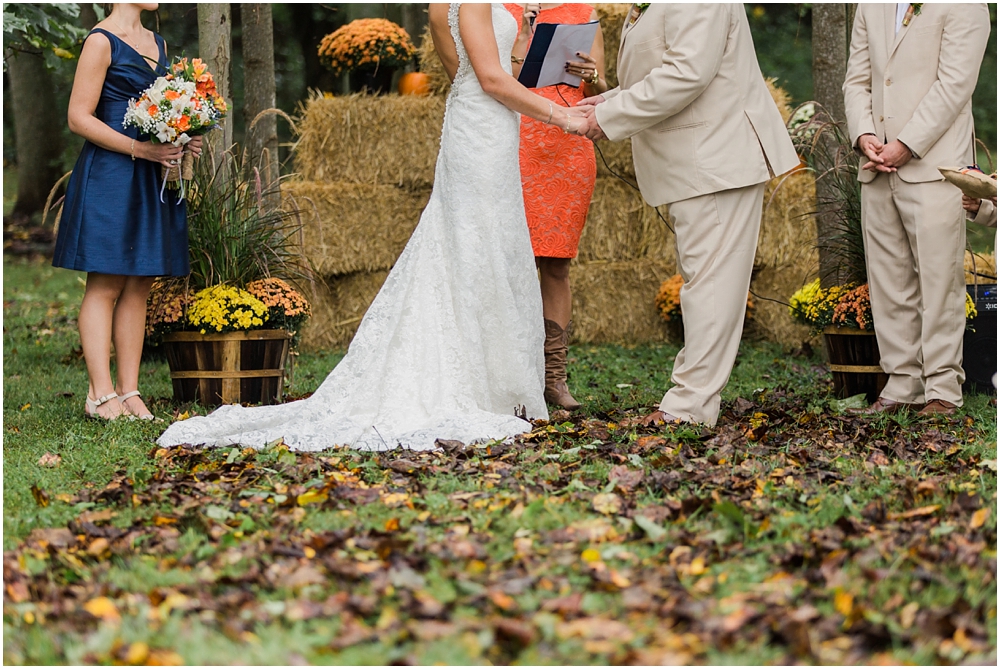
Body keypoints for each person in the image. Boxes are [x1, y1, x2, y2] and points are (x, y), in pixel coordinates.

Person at [158, 4, 588, 451]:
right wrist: (564, 117)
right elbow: (490, 79)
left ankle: (496, 383)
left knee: (488, 246)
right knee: (473, 246)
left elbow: (497, 69)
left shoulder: (449, 6)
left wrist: (527, 36)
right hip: (482, 126)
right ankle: (467, 380)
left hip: (489, 124)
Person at [573, 3, 798, 428]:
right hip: (697, 159)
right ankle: (690, 400)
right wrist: (607, 100)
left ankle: (688, 408)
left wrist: (607, 118)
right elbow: (658, 71)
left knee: (710, 284)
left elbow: (686, 75)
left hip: (716, 155)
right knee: (704, 279)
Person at [53, 2, 202, 421]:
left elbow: (162, 109)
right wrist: (140, 148)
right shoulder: (100, 41)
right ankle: (99, 394)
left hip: (150, 176)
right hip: (111, 175)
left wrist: (184, 135)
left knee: (139, 283)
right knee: (106, 283)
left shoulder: (159, 42)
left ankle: (129, 390)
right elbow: (78, 117)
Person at [842, 3, 991, 417]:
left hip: (935, 165)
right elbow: (856, 81)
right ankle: (902, 382)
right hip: (875, 164)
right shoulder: (868, 6)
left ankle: (943, 388)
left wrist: (906, 144)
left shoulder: (967, 5)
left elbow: (954, 85)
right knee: (888, 280)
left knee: (939, 279)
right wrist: (863, 134)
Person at [499, 3, 607, 411]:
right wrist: (523, 40)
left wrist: (592, 75)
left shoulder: (583, 9)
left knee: (557, 262)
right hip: (514, 140)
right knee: (511, 259)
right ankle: (510, 371)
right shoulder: (499, 8)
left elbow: (603, 87)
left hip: (568, 145)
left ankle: (554, 377)